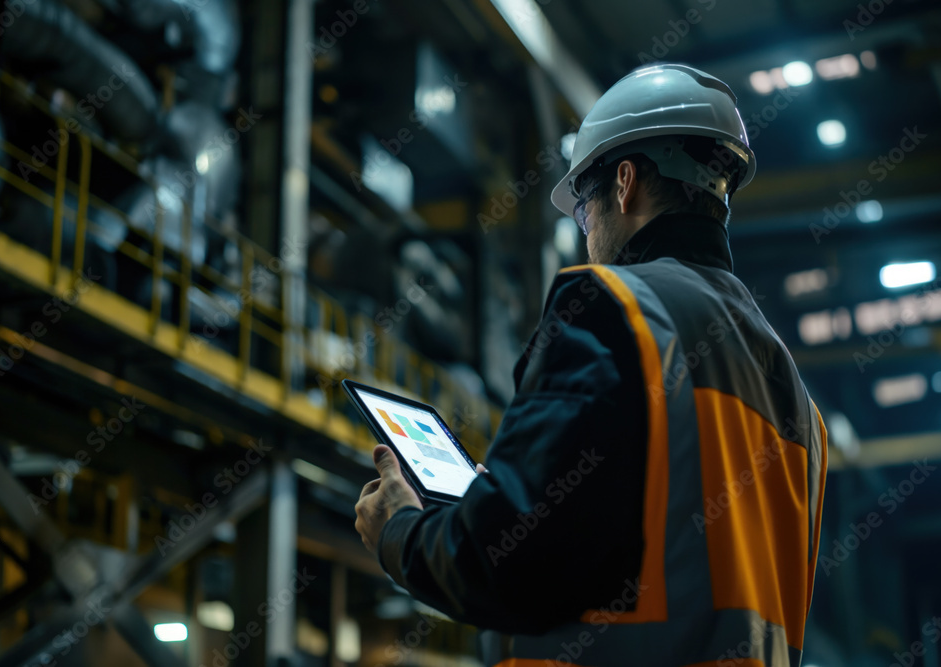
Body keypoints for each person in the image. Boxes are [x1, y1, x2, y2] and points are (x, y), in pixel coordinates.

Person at [355, 63, 828, 667]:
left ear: (625, 183)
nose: (585, 232)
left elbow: (505, 567)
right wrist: (507, 495)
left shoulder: (614, 310)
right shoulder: (796, 400)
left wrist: (399, 531)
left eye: (583, 209)